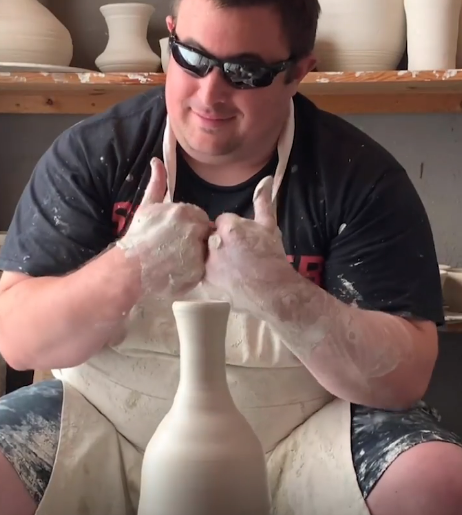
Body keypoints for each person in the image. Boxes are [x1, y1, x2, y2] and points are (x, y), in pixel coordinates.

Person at [1, 0, 462, 513]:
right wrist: (127, 269)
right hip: (105, 429)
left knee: (439, 482)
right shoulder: (96, 154)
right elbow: (16, 338)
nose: (209, 92)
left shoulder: (357, 178)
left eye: (245, 72)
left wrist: (283, 295)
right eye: (191, 57)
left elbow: (406, 376)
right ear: (169, 39)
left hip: (299, 439)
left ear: (298, 73)